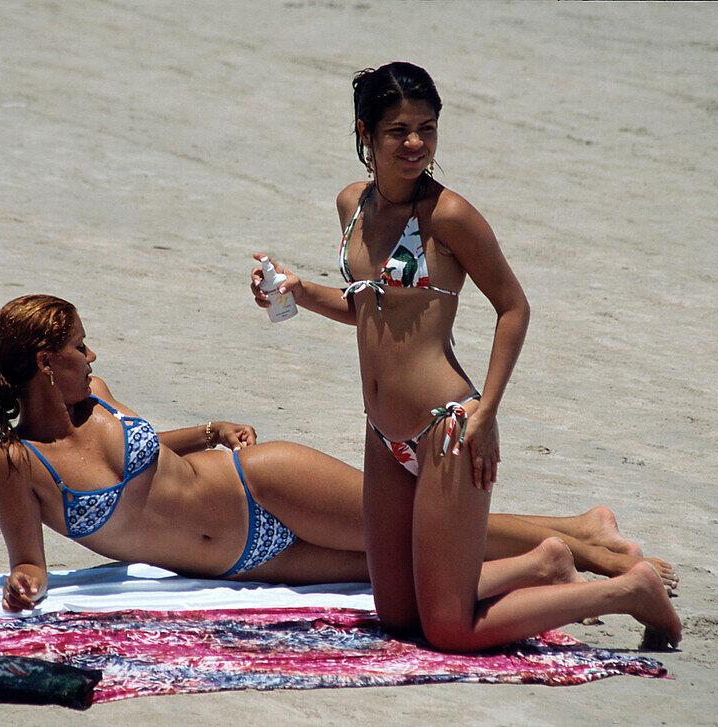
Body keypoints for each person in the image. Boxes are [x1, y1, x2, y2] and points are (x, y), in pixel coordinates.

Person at [251, 62, 680, 651]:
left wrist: (488, 412)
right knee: (397, 617)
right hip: (383, 434)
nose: (415, 144)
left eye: (427, 128)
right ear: (364, 134)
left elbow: (513, 307)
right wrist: (300, 293)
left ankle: (628, 591)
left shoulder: (447, 216)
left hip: (446, 428)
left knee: (449, 629)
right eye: (398, 130)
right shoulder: (352, 204)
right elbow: (368, 309)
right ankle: (544, 564)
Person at [0, 294, 674, 613]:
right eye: (78, 346)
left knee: (419, 530)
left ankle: (586, 537)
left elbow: (149, 452)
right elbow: (28, 558)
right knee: (396, 565)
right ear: (45, 362)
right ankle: (558, 553)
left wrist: (212, 429)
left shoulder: (96, 395)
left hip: (263, 483)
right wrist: (27, 584)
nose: (91, 355)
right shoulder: (17, 467)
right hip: (250, 560)